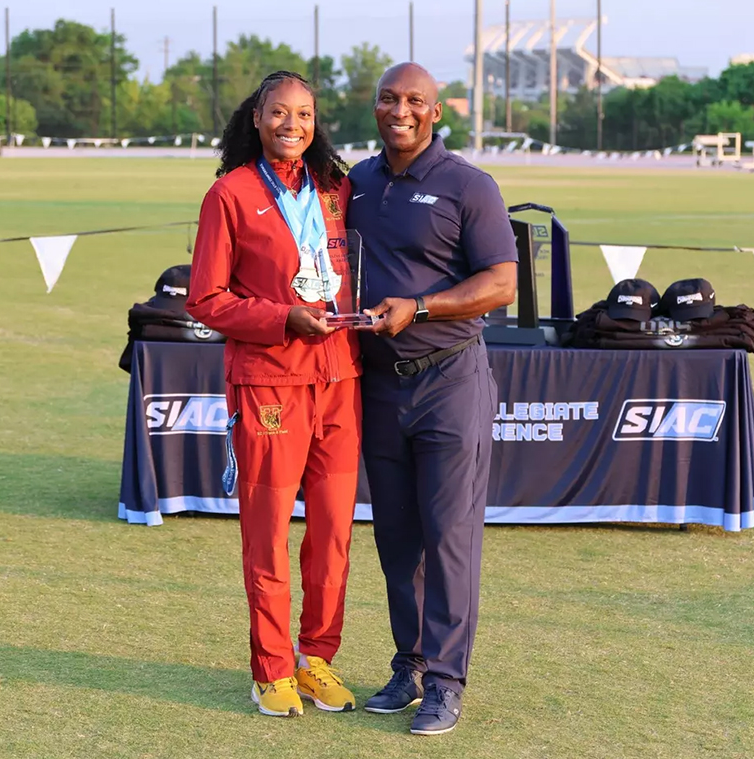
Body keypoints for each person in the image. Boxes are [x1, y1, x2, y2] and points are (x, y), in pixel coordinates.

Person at [347, 62, 518, 736]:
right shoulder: (356, 182)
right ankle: (410, 664)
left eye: (414, 100)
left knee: (448, 537)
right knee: (396, 537)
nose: (401, 110)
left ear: (436, 111)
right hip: (377, 383)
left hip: (449, 379)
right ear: (374, 106)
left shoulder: (469, 185)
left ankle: (446, 682)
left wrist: (419, 307)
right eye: (389, 99)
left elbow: (501, 282)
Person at [186, 70, 361, 718]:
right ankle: (270, 670)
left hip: (340, 379)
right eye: (280, 113)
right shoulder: (229, 194)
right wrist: (283, 317)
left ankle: (316, 659)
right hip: (269, 384)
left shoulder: (336, 189)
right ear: (256, 118)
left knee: (333, 534)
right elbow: (206, 299)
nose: (293, 124)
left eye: (305, 114)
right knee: (267, 535)